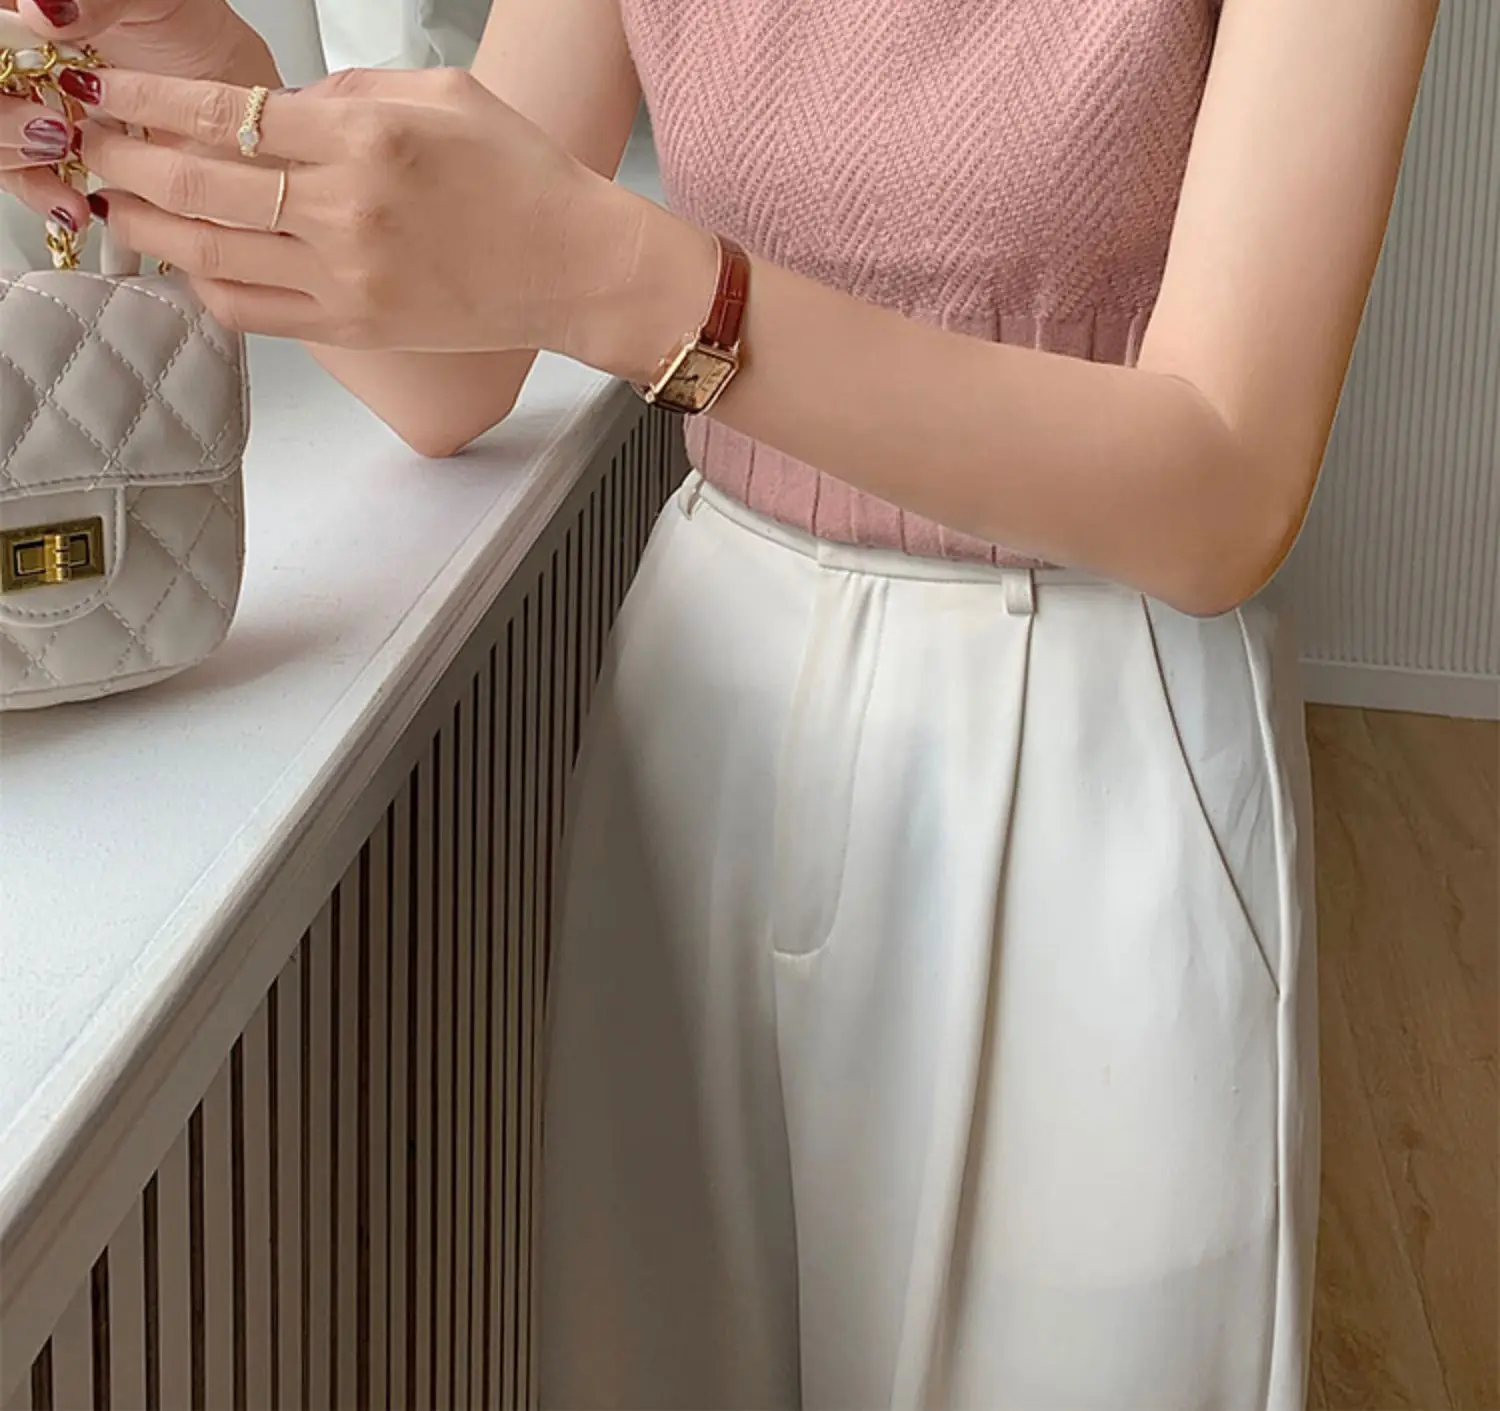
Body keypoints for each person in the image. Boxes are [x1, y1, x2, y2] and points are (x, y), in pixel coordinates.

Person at [0, 0, 1440, 1404]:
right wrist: (211, 99)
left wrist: (628, 284)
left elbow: (1222, 485)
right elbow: (452, 375)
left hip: (1091, 727)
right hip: (708, 693)